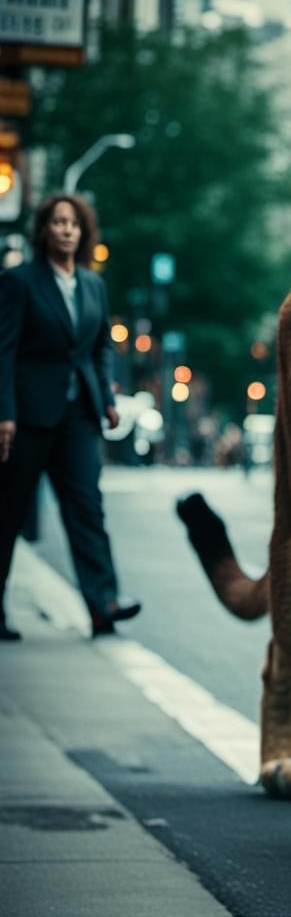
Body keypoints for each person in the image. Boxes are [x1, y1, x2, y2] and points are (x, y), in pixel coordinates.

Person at [0, 194, 141, 640]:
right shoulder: (20, 282)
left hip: (78, 415)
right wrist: (5, 413)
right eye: (58, 222)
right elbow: (3, 351)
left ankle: (104, 605)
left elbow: (99, 345)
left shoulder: (92, 284)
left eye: (74, 224)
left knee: (87, 509)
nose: (66, 230)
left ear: (83, 233)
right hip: (28, 416)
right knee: (9, 513)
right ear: (44, 230)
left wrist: (106, 398)